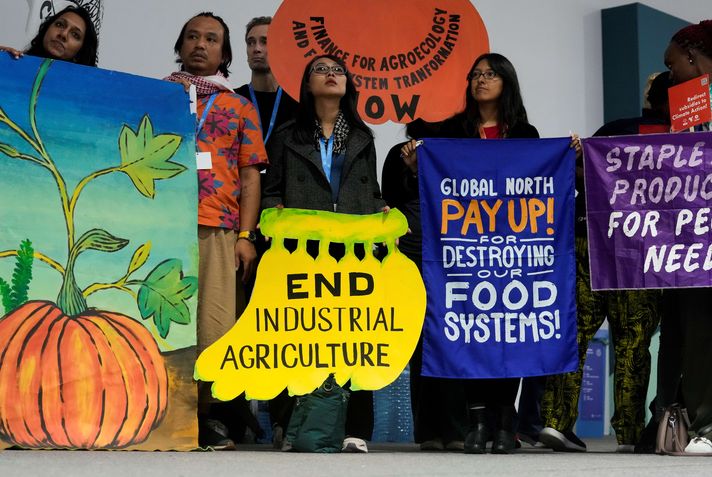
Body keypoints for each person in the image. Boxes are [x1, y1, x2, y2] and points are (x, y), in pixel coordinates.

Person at [401, 53, 540, 454]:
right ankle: (477, 420)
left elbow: (539, 185)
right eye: (476, 74)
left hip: (512, 250)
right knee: (471, 333)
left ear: (506, 82)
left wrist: (570, 155)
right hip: (463, 252)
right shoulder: (455, 132)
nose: (481, 80)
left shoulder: (525, 134)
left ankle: (504, 420)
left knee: (508, 334)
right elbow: (433, 191)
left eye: (490, 74)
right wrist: (415, 169)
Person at [538, 72, 670, 455]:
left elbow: (581, 175)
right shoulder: (689, 142)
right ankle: (628, 434)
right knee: (632, 342)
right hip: (641, 249)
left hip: (590, 238)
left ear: (649, 98)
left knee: (573, 333)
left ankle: (556, 422)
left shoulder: (615, 130)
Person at [262, 54, 386, 453]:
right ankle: (288, 424)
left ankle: (355, 428)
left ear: (348, 84)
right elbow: (272, 189)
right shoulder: (285, 135)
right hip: (302, 250)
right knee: (295, 332)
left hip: (352, 252)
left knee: (357, 333)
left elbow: (373, 192)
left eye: (338, 71)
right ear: (306, 83)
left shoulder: (364, 137)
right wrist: (274, 210)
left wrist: (380, 212)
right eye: (321, 70)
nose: (332, 75)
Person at [165, 11, 268, 450]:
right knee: (163, 324)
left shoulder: (238, 106)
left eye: (211, 39)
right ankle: (163, 415)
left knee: (214, 328)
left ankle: (203, 418)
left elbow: (250, 178)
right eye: (192, 37)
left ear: (224, 54)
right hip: (160, 226)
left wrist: (246, 237)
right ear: (181, 45)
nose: (200, 45)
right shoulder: (155, 95)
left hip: (218, 229)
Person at [382, 120, 468, 452]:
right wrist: (415, 171)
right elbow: (390, 201)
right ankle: (428, 430)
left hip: (459, 256)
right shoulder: (396, 155)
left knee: (456, 339)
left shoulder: (463, 153)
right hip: (415, 254)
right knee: (422, 344)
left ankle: (459, 428)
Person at [234, 16, 299, 448]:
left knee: (282, 322)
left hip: (285, 222)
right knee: (236, 322)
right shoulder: (231, 100)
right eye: (252, 42)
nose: (259, 49)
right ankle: (235, 416)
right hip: (236, 220)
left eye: (266, 41)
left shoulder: (299, 105)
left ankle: (282, 418)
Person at [656, 19, 712, 455]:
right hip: (694, 244)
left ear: (692, 57)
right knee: (698, 333)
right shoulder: (686, 107)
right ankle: (706, 426)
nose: (669, 73)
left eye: (672, 64)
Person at [235, 16, 298, 145]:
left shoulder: (297, 103)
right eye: (250, 42)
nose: (256, 49)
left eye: (265, 41)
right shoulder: (234, 99)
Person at [0, 5, 98, 66]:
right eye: (60, 24)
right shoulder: (14, 64)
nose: (63, 34)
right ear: (45, 30)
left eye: (75, 35)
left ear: (81, 51)